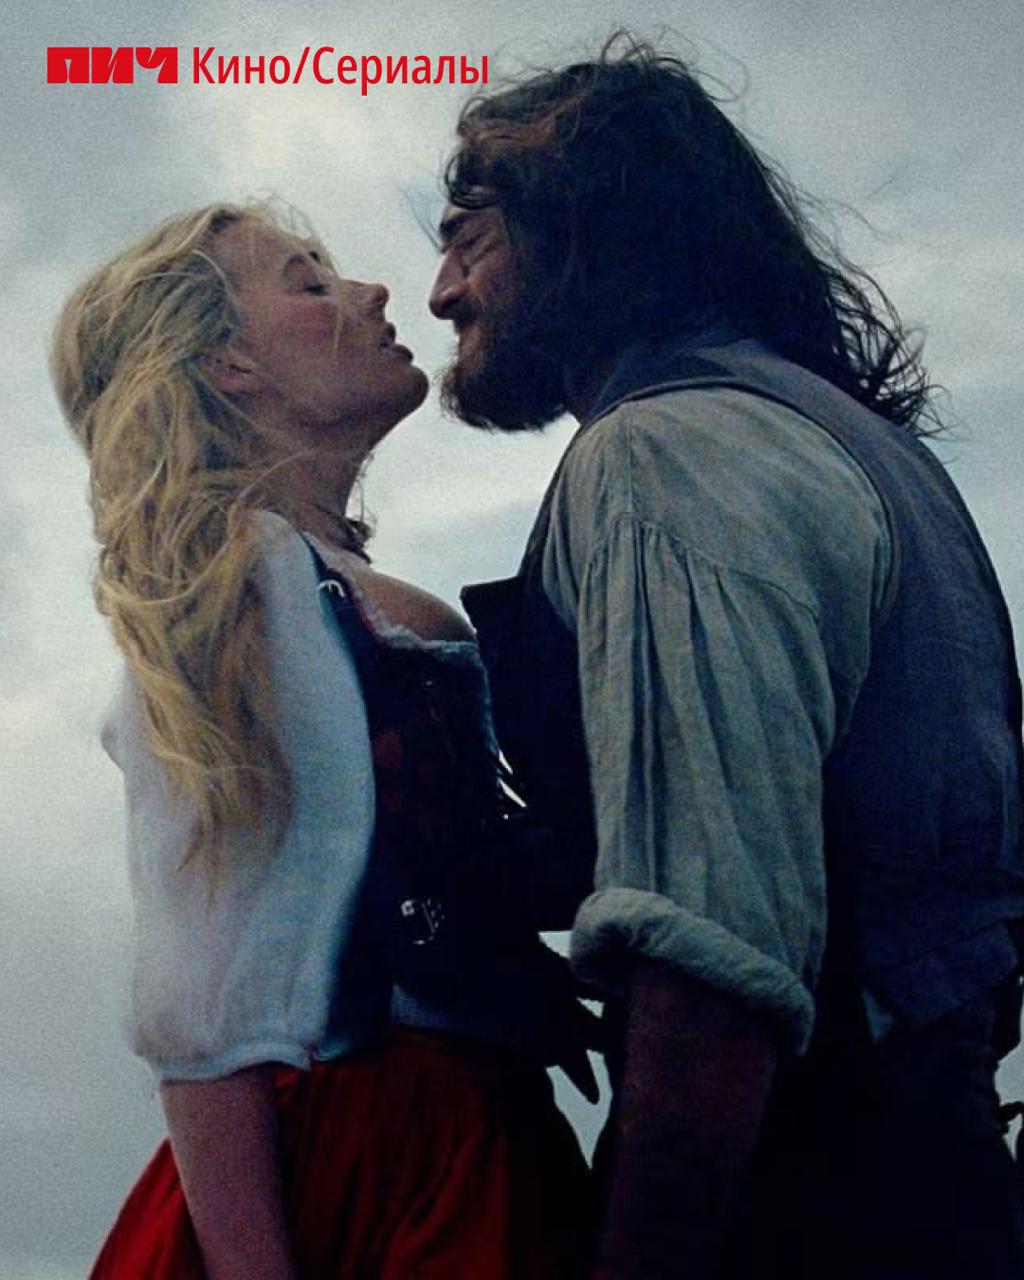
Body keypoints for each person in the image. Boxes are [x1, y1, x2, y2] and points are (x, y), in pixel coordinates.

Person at [428, 36, 1024, 1280]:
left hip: (809, 1211)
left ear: (586, 227)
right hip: (936, 1180)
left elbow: (712, 964)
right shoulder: (861, 447)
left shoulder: (662, 456)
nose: (440, 293)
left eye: (468, 237)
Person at [53, 201, 593, 1280]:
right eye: (310, 282)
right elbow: (202, 1005)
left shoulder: (329, 593)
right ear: (231, 367)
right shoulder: (240, 594)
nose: (374, 292)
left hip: (468, 1134)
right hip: (365, 1164)